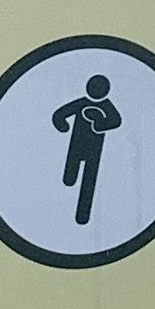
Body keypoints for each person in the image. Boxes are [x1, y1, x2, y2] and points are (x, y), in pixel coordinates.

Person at [48, 72, 122, 229]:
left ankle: (83, 215)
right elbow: (61, 114)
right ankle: (68, 181)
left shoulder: (106, 106)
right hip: (76, 144)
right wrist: (62, 125)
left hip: (94, 150)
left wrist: (98, 123)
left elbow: (116, 121)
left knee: (89, 180)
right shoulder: (82, 103)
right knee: (70, 173)